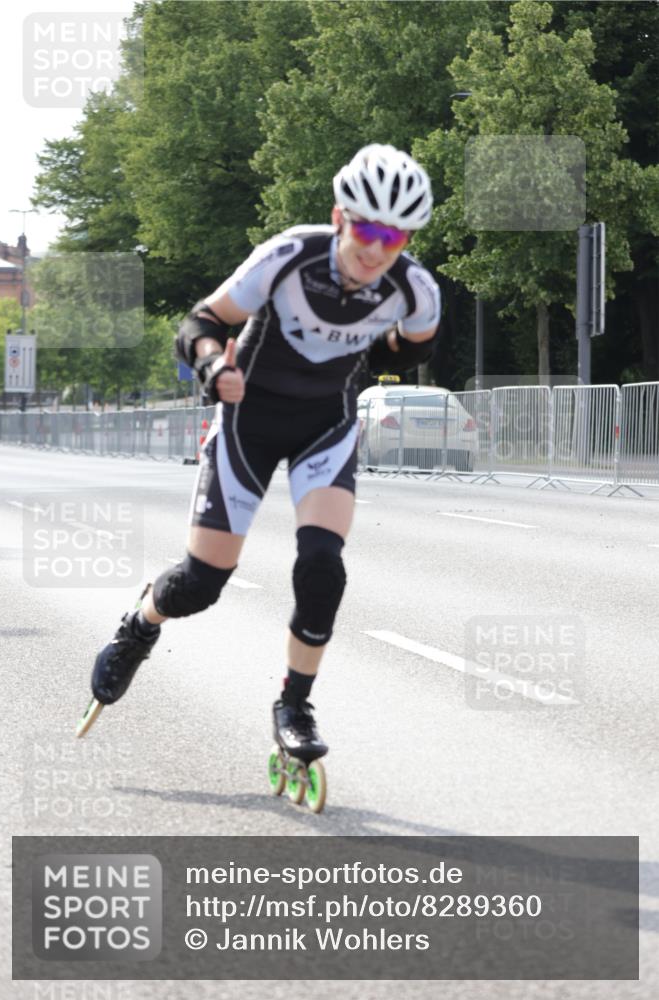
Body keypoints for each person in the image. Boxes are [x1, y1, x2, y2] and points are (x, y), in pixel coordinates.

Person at [89, 143, 441, 763]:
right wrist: (213, 365)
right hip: (246, 424)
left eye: (394, 235)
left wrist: (355, 359)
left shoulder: (415, 290)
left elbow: (409, 350)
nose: (375, 248)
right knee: (200, 585)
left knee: (322, 567)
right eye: (365, 227)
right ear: (339, 217)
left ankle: (294, 704)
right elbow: (200, 321)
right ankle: (140, 625)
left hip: (322, 429)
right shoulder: (287, 256)